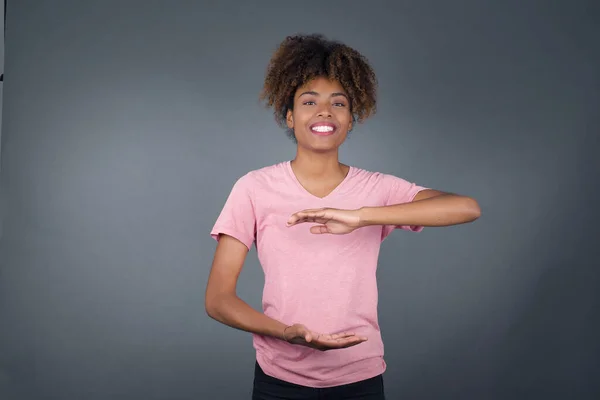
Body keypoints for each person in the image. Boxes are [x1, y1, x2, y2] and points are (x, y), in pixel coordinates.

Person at [205, 34, 481, 400]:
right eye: (309, 101)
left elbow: (466, 207)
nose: (324, 111)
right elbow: (218, 300)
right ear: (289, 116)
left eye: (338, 103)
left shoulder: (376, 188)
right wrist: (286, 333)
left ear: (351, 120)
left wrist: (361, 216)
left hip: (360, 379)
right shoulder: (254, 187)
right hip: (279, 380)